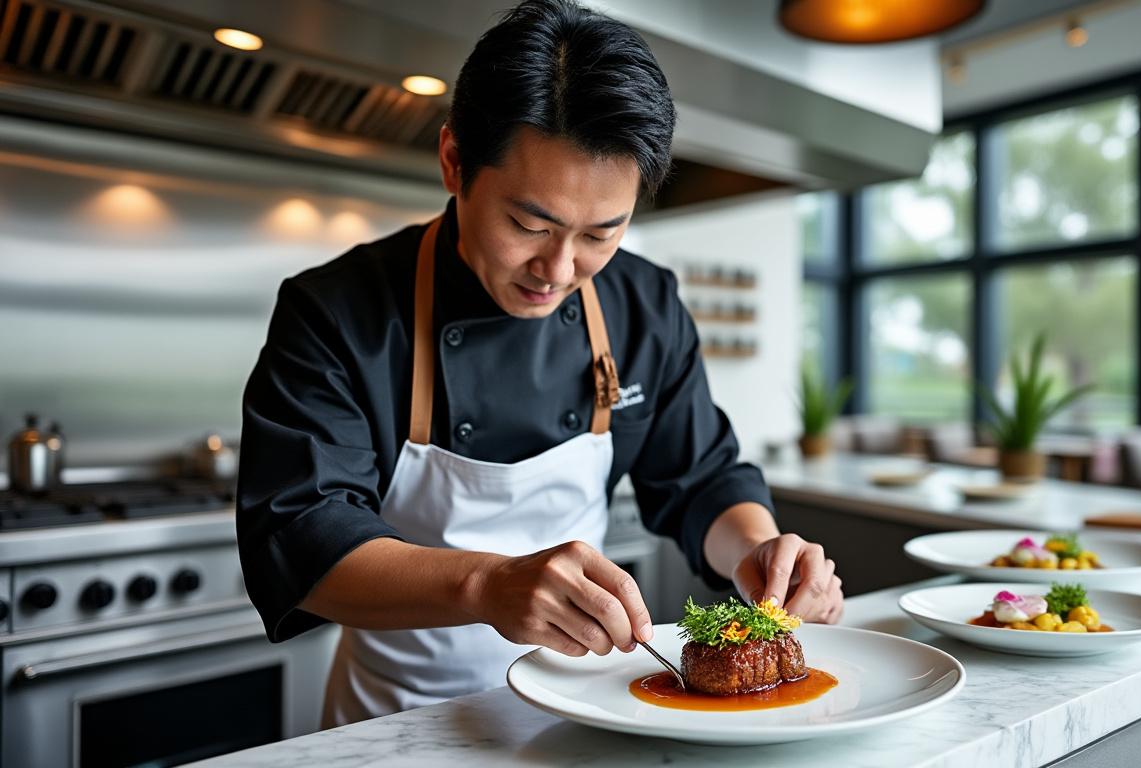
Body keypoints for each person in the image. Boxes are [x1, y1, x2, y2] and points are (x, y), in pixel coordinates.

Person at [236, 0, 844, 728]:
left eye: (601, 232)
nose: (558, 268)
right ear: (455, 161)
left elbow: (700, 478)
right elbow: (300, 536)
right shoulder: (337, 311)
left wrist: (758, 552)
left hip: (588, 710)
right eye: (530, 224)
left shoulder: (644, 303)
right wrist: (487, 584)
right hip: (399, 722)